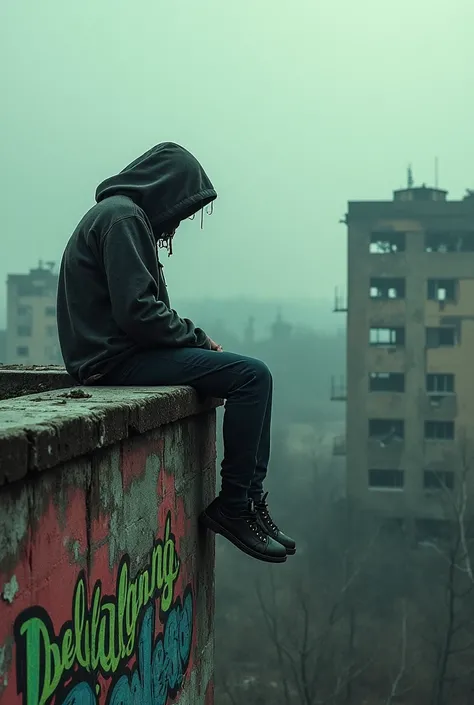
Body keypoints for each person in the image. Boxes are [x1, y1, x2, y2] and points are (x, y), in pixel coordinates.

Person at [57, 142, 295, 563]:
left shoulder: (120, 215)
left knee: (256, 376)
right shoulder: (123, 217)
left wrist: (193, 342)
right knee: (251, 376)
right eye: (182, 212)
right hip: (116, 362)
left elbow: (141, 312)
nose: (178, 224)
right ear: (166, 190)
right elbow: (140, 314)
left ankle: (250, 500)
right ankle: (235, 506)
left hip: (113, 358)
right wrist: (200, 341)